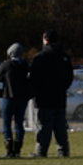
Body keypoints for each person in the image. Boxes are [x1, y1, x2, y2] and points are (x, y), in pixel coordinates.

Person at [29, 29, 74, 157]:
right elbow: (69, 77)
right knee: (60, 126)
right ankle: (63, 150)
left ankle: (41, 151)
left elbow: (33, 78)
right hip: (60, 97)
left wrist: (36, 91)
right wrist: (61, 88)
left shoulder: (40, 57)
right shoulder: (64, 57)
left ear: (45, 40)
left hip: (44, 98)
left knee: (43, 125)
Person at [0, 42, 31, 158]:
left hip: (8, 96)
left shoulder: (6, 64)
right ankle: (17, 149)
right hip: (22, 98)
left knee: (6, 122)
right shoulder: (25, 65)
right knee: (19, 123)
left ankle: (9, 149)